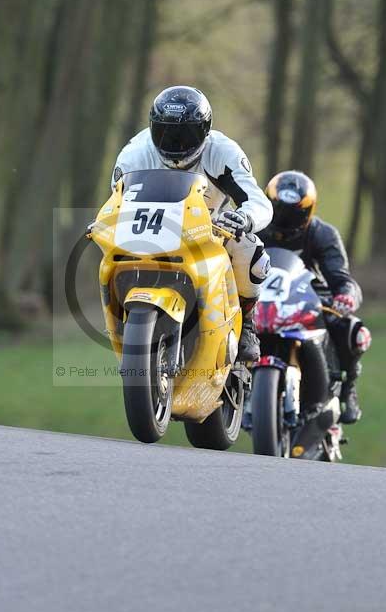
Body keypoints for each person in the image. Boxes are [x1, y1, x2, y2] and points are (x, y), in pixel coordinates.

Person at [111, 85, 273, 361]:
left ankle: (246, 321)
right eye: (166, 133)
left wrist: (244, 218)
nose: (175, 144)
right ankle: (125, 315)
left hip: (210, 230)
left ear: (205, 131)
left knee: (251, 249)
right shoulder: (134, 154)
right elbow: (114, 204)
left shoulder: (223, 152)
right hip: (151, 232)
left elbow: (258, 201)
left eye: (184, 135)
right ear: (152, 128)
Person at [259, 170, 371, 423]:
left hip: (307, 297)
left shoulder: (322, 234)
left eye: (294, 214)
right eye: (279, 211)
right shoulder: (254, 227)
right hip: (258, 296)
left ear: (307, 213)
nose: (285, 222)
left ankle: (347, 388)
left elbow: (341, 278)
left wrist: (346, 296)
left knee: (351, 328)